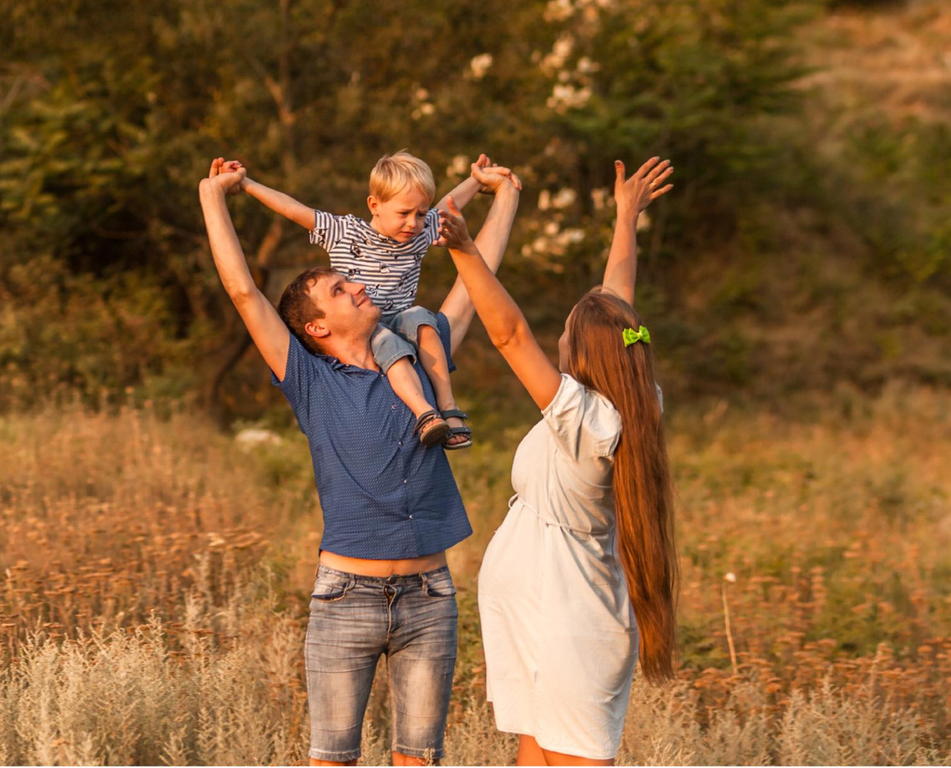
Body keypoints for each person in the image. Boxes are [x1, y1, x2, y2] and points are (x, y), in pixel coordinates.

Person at [198, 156, 520, 765]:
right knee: (332, 760)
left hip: (430, 595)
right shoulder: (309, 378)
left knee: (418, 759)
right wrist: (214, 195)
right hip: (347, 596)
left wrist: (503, 196)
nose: (360, 285)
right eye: (341, 290)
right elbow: (242, 289)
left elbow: (479, 279)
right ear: (316, 326)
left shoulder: (424, 361)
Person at [432, 157, 680, 765]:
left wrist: (466, 251)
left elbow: (511, 334)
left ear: (586, 355)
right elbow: (616, 304)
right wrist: (626, 217)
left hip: (569, 621)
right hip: (541, 611)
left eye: (568, 333)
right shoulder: (631, 395)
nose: (560, 340)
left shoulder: (591, 420)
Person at [230, 151, 521, 449]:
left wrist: (476, 180)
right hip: (364, 327)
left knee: (424, 319)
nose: (413, 223)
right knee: (387, 340)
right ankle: (425, 413)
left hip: (402, 319)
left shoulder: (418, 234)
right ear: (375, 205)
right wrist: (248, 184)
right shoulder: (345, 232)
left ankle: (448, 405)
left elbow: (449, 205)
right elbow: (293, 209)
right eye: (404, 213)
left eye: (420, 214)